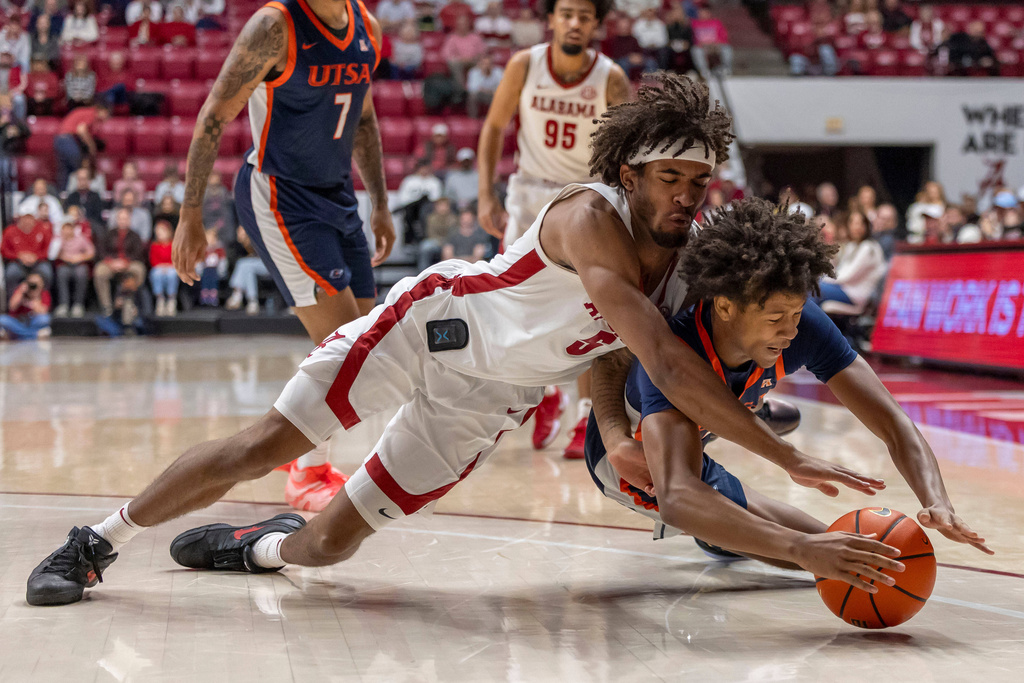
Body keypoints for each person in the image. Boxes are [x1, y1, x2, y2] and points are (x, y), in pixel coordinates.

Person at [26, 74, 868, 607]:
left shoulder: (692, 258)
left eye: (698, 180)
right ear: (631, 174)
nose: (687, 194)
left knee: (329, 548)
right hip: (430, 328)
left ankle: (259, 547)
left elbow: (611, 350)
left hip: (491, 395)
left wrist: (611, 428)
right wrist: (787, 458)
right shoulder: (589, 218)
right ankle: (96, 541)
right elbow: (665, 359)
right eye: (671, 178)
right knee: (261, 443)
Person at [583, 198, 991, 576]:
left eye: (797, 312)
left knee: (834, 548)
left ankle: (750, 412)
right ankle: (728, 493)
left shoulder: (800, 325)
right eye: (776, 317)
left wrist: (937, 499)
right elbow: (676, 497)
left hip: (698, 427)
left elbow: (893, 423)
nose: (791, 329)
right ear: (725, 306)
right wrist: (801, 549)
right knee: (816, 547)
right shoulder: (676, 353)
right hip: (636, 459)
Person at [170, 0, 395, 512]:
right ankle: (304, 468)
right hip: (280, 194)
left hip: (338, 196)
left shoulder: (367, 27)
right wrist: (190, 214)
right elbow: (213, 116)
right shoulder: (275, 27)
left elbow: (362, 120)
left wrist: (379, 202)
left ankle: (302, 459)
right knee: (344, 346)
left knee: (366, 348)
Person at [477, 0, 631, 459]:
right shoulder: (525, 65)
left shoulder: (611, 78)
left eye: (584, 16)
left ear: (596, 24)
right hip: (528, 196)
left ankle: (585, 415)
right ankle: (543, 395)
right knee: (516, 307)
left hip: (583, 197)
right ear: (551, 19)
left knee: (587, 307)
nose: (574, 23)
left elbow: (627, 149)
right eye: (566, 13)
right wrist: (486, 194)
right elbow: (493, 127)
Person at [815, 210, 887, 312]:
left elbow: (847, 276)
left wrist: (821, 280)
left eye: (860, 223)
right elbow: (838, 270)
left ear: (867, 226)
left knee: (814, 288)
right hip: (844, 289)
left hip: (856, 295)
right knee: (812, 288)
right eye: (853, 223)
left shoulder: (869, 247)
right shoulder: (852, 245)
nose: (856, 227)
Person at [94, 207, 147, 316]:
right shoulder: (108, 234)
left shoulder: (135, 236)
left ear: (129, 220)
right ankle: (106, 306)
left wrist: (126, 262)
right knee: (99, 271)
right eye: (121, 218)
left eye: (125, 219)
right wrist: (111, 262)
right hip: (111, 263)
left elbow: (138, 253)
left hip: (129, 263)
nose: (123, 221)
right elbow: (101, 251)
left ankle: (130, 301)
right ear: (117, 220)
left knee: (139, 269)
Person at [53, 100, 110, 190]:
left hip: (60, 140)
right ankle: (79, 193)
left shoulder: (85, 112)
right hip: (68, 140)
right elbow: (81, 130)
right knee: (78, 169)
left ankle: (63, 192)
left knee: (65, 171)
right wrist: (92, 146)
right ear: (102, 110)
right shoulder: (91, 113)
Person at [52, 220, 95, 318]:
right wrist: (63, 255)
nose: (67, 231)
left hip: (79, 264)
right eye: (65, 229)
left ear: (73, 229)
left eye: (69, 228)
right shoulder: (58, 240)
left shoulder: (80, 238)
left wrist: (80, 257)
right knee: (62, 273)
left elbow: (91, 252)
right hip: (64, 265)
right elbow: (52, 255)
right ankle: (63, 305)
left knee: (82, 273)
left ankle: (78, 305)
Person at [2, 213, 52, 296]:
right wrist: (18, 256)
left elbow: (49, 249)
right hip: (17, 262)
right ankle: (12, 303)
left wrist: (36, 256)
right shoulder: (10, 231)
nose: (28, 221)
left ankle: (44, 302)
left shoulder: (42, 230)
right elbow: (4, 250)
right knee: (11, 273)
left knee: (46, 272)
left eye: (30, 218)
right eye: (25, 218)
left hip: (38, 262)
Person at [225, 225, 269, 315]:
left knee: (245, 265)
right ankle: (251, 300)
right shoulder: (253, 236)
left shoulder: (265, 232)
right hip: (259, 264)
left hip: (273, 266)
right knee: (244, 265)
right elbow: (253, 253)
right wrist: (245, 240)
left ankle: (238, 295)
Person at [0, 272, 51, 339]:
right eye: (31, 283)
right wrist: (20, 292)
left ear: (42, 284)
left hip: (33, 322)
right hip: (19, 321)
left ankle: (15, 335)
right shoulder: (20, 291)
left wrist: (35, 295)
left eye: (36, 283)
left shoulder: (44, 293)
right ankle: (35, 334)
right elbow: (12, 306)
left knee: (45, 318)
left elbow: (43, 311)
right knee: (3, 319)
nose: (33, 286)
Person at [691, 5, 732, 78]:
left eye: (705, 12)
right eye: (701, 12)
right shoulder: (694, 24)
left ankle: (725, 68)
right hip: (702, 47)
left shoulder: (716, 23)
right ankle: (704, 70)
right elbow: (692, 38)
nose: (703, 14)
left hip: (716, 45)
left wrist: (716, 43)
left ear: (709, 13)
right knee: (696, 50)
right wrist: (701, 44)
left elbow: (724, 37)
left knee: (726, 48)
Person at [417, 196, 457, 271]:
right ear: (436, 207)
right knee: (425, 246)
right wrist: (442, 243)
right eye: (441, 205)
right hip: (436, 242)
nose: (443, 208)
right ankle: (423, 272)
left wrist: (447, 244)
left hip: (450, 243)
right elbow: (431, 234)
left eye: (445, 205)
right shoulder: (431, 218)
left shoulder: (454, 219)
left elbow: (454, 234)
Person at [149, 220, 178, 316]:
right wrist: (161, 266)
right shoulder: (155, 246)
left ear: (169, 232)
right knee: (156, 274)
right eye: (157, 232)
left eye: (162, 231)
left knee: (172, 274)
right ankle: (160, 299)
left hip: (171, 268)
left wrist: (168, 265)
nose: (159, 234)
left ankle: (171, 300)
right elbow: (153, 260)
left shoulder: (174, 244)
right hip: (159, 268)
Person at [465, 54, 503, 119]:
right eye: (484, 64)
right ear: (479, 64)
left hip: (494, 95)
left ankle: (497, 118)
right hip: (481, 95)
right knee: (472, 96)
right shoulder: (473, 72)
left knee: (503, 95)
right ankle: (473, 119)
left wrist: (490, 91)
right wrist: (483, 74)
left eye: (488, 64)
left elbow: (503, 86)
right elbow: (471, 88)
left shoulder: (498, 72)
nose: (486, 66)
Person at [197, 227, 225, 306]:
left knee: (213, 279)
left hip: (215, 269)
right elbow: (200, 261)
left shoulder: (219, 250)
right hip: (206, 269)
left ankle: (213, 294)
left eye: (212, 239)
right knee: (205, 278)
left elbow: (222, 261)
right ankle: (205, 293)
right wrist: (199, 270)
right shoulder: (203, 250)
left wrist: (222, 270)